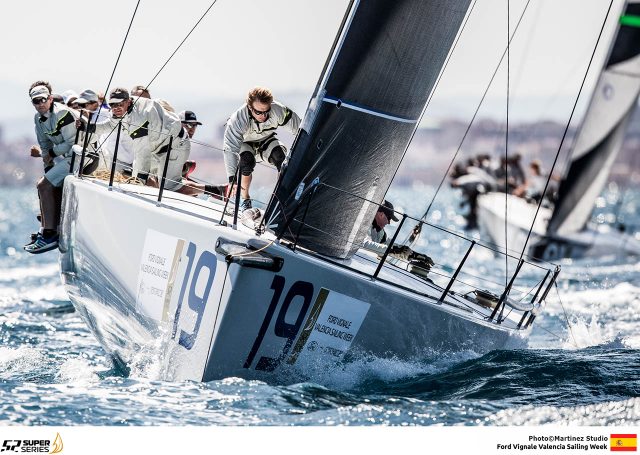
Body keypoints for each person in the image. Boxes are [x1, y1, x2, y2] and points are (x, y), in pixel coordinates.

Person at [222, 86, 301, 212]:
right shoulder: (238, 119)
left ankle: (280, 201)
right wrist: (232, 179)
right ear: (249, 107)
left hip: (267, 141)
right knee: (246, 161)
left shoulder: (278, 110)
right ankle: (245, 199)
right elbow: (230, 149)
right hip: (246, 143)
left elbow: (300, 130)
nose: (263, 116)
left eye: (266, 111)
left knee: (281, 158)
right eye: (258, 112)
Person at [24, 81, 79, 254]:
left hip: (82, 156)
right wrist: (48, 166)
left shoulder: (63, 112)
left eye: (42, 100)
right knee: (45, 184)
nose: (39, 104)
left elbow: (71, 144)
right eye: (35, 101)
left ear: (50, 98)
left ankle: (49, 235)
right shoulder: (38, 118)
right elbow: (44, 144)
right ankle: (46, 230)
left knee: (43, 185)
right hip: (68, 158)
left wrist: (50, 155)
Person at [84, 87, 181, 180]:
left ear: (128, 101)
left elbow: (143, 150)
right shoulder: (120, 114)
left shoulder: (141, 117)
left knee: (165, 185)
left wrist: (139, 177)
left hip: (158, 153)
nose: (116, 107)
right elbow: (110, 128)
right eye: (113, 104)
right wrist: (87, 127)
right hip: (121, 161)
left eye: (120, 104)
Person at [363, 200, 434, 270]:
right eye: (389, 218)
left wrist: (414, 255)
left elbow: (386, 245)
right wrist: (393, 250)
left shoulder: (380, 232)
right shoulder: (363, 224)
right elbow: (365, 244)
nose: (389, 222)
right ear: (381, 215)